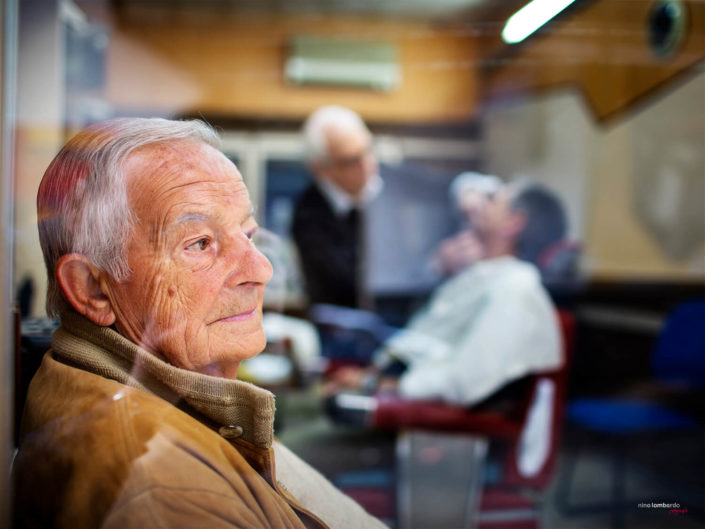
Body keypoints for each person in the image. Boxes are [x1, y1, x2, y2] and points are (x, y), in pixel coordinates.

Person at [12, 118, 386, 529]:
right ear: (92, 289)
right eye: (200, 244)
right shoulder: (158, 487)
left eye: (249, 233)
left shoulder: (170, 399)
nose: (260, 269)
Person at [328, 181, 565, 406]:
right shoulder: (480, 273)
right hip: (388, 380)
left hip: (407, 407)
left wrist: (374, 383)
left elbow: (464, 381)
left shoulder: (515, 286)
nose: (482, 202)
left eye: (493, 199)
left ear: (513, 223)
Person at [292, 105, 383, 309]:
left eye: (369, 149)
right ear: (321, 168)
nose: (367, 164)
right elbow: (347, 287)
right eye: (351, 160)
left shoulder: (390, 185)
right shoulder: (308, 216)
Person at [432, 171, 502, 277]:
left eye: (477, 211)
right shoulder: (460, 243)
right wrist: (443, 263)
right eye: (467, 215)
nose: (475, 221)